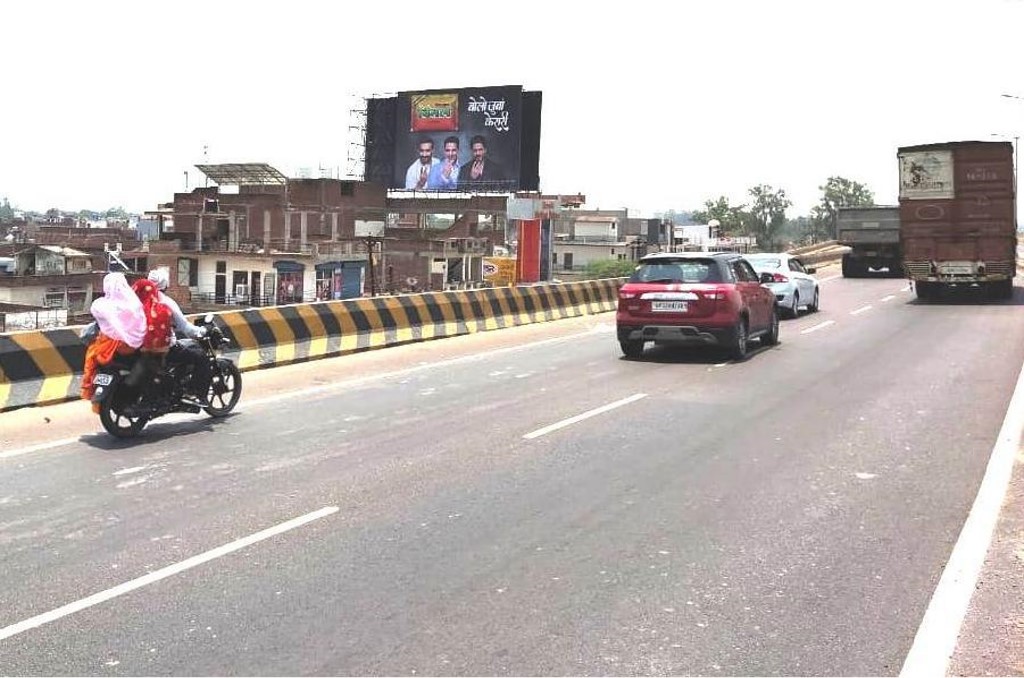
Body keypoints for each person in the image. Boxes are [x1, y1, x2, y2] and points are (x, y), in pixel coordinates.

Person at [145, 267, 212, 407]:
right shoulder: (166, 302)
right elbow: (186, 328)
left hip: (141, 348)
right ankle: (194, 394)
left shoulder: (139, 299)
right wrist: (202, 331)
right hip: (164, 349)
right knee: (201, 357)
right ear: (165, 285)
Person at [81, 272, 146, 403]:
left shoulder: (100, 305)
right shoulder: (134, 304)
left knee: (91, 356)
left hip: (107, 347)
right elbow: (141, 324)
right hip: (130, 346)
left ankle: (88, 389)